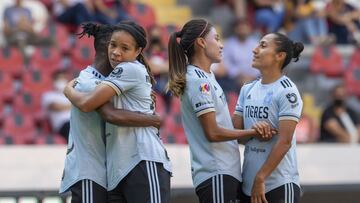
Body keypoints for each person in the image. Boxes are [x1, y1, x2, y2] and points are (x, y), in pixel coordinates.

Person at [167, 19, 274, 203]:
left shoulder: (207, 76)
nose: (221, 44)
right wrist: (252, 132)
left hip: (225, 171)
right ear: (201, 43)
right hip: (216, 171)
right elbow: (213, 133)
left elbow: (221, 125)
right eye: (216, 38)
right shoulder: (198, 80)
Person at [63, 21, 172, 203]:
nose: (116, 52)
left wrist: (68, 90)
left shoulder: (127, 70)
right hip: (93, 171)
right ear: (107, 46)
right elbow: (108, 114)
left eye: (124, 48)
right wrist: (152, 119)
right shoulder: (90, 81)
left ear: (137, 52)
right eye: (113, 45)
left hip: (135, 160)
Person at [233, 33, 304, 203]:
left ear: (279, 56)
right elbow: (237, 134)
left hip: (277, 184)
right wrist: (253, 131)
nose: (255, 49)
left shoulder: (287, 91)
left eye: (263, 46)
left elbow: (285, 142)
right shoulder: (247, 88)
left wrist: (261, 178)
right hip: (248, 185)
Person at [42, 70, 71, 141]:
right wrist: (75, 105)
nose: (62, 81)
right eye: (59, 78)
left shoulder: (71, 95)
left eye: (64, 78)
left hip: (76, 122)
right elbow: (55, 107)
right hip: (62, 126)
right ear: (54, 81)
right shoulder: (48, 95)